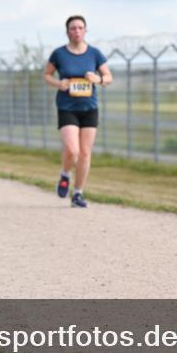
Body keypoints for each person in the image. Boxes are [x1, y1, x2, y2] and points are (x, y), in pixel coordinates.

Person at [43, 15, 112, 208]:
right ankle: (65, 174)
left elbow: (108, 77)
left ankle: (78, 193)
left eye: (80, 28)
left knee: (85, 153)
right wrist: (59, 83)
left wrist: (98, 79)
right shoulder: (59, 54)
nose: (77, 31)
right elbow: (47, 75)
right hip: (67, 107)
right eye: (73, 28)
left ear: (85, 30)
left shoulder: (95, 53)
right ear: (67, 32)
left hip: (89, 108)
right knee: (73, 150)